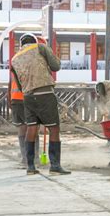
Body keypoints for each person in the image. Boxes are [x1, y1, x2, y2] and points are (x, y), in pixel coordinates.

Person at [11, 33, 70, 176]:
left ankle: (30, 167)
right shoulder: (40, 47)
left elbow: (19, 84)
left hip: (28, 97)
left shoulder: (14, 59)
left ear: (21, 44)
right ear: (34, 42)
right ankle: (55, 165)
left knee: (31, 128)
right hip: (45, 94)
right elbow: (56, 66)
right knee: (53, 129)